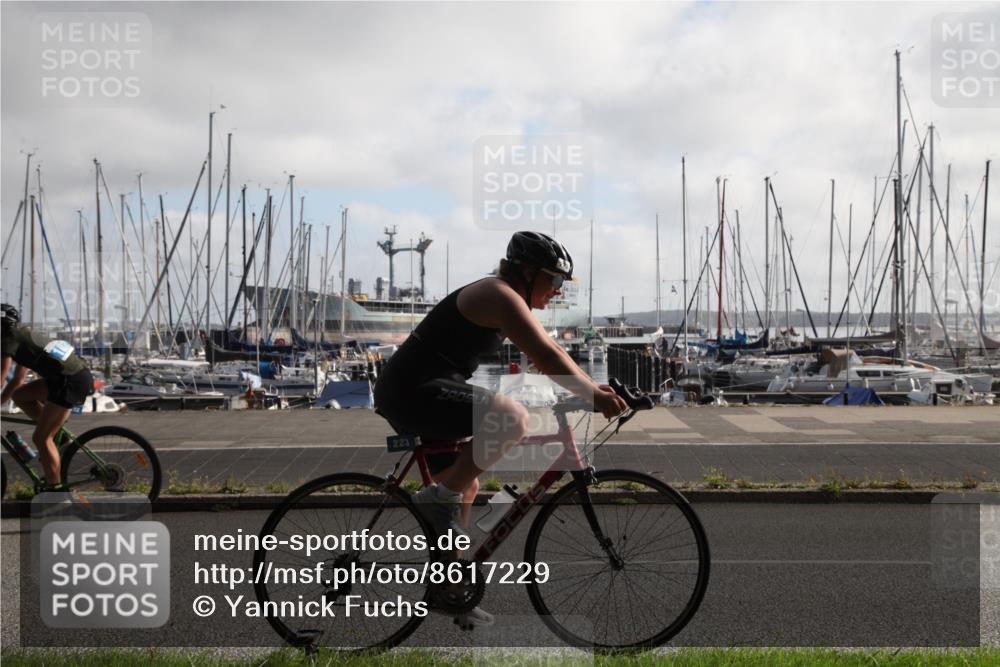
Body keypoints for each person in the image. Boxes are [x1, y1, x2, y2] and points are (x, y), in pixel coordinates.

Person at [373, 232, 627, 626]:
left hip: (422, 387)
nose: (558, 291)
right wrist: (593, 395)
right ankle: (435, 500)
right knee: (510, 419)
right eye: (554, 281)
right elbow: (545, 355)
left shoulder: (507, 296)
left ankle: (450, 591)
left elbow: (552, 351)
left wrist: (593, 390)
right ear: (527, 273)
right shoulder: (500, 295)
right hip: (412, 390)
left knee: (464, 486)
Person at [1, 304, 95, 490]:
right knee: (20, 396)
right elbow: (18, 381)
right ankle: (57, 434)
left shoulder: (8, 338)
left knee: (41, 438)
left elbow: (2, 374)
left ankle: (56, 492)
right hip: (68, 377)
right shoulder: (23, 335)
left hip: (70, 380)